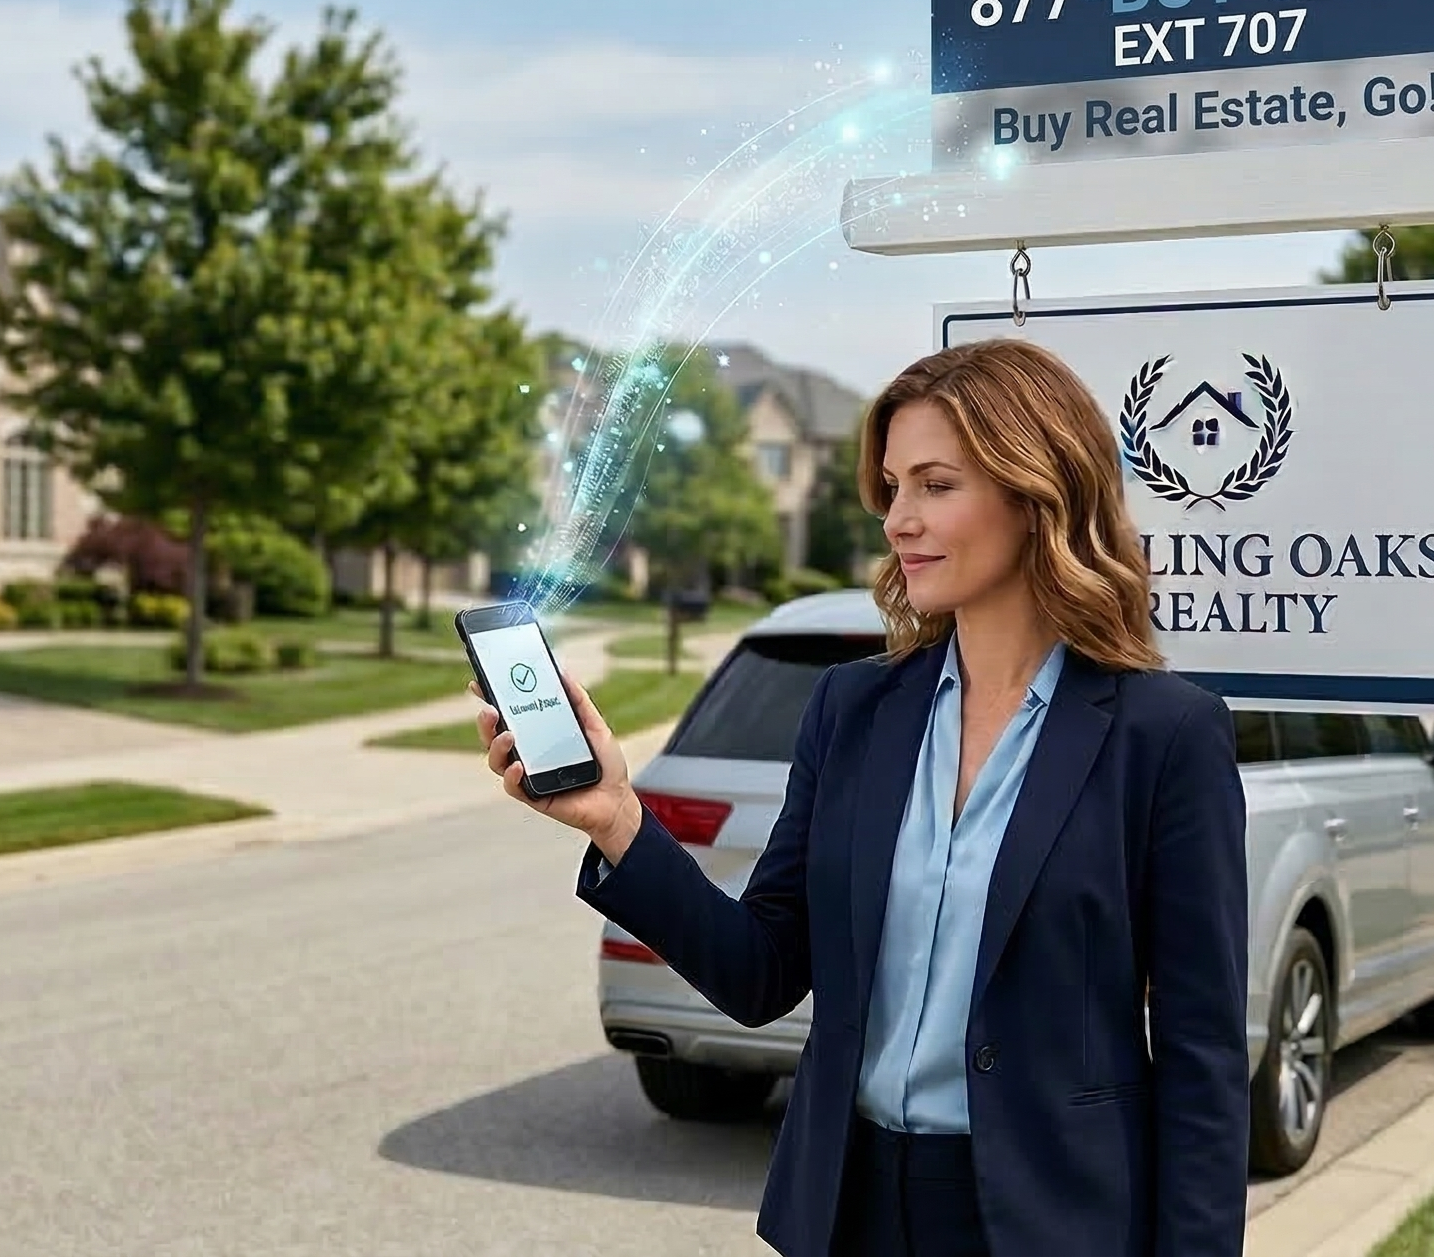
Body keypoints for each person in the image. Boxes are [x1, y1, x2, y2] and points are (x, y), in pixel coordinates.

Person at [477, 337, 1250, 1257]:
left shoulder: (1164, 736)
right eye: (892, 487)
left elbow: (1203, 1059)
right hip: (851, 1211)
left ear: (1036, 491)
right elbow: (761, 970)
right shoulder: (852, 708)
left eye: (936, 484)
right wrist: (617, 819)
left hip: (1059, 1220)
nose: (897, 519)